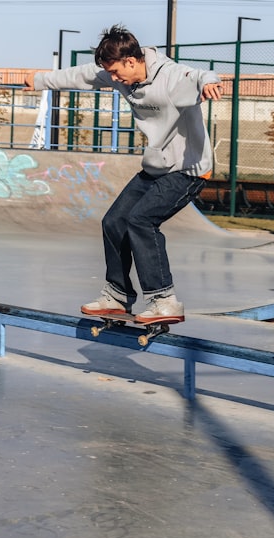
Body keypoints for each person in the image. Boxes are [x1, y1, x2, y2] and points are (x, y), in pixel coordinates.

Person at [24, 24, 223, 323]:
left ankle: (164, 300)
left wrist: (211, 82)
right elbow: (80, 75)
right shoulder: (120, 75)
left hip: (188, 170)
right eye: (111, 75)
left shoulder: (170, 77)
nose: (115, 80)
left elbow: (198, 75)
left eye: (117, 73)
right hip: (157, 167)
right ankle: (117, 295)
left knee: (141, 220)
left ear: (132, 61)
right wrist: (40, 80)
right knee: (114, 221)